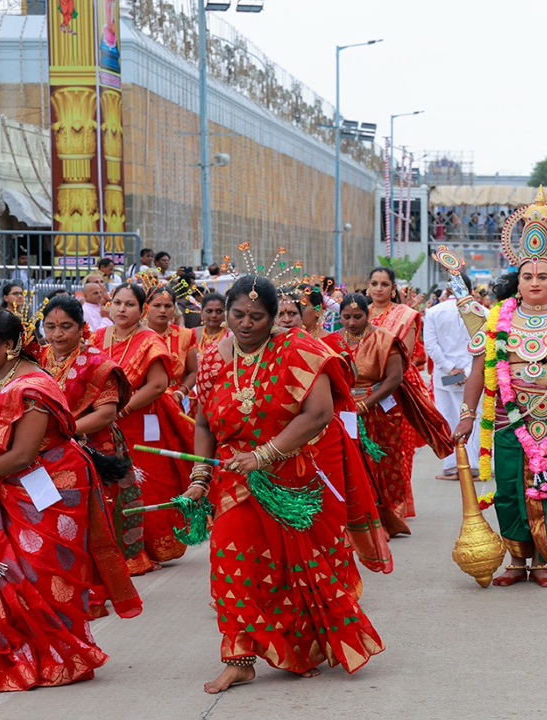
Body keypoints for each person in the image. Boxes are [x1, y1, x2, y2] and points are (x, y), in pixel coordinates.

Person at [0, 307, 140, 692]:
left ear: (8, 345)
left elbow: (23, 455)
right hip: (7, 488)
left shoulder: (34, 388)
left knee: (33, 573)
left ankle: (52, 653)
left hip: (47, 493)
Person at [185, 277, 384, 694]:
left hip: (290, 480)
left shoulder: (300, 350)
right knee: (229, 565)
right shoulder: (210, 358)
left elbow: (319, 414)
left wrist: (264, 455)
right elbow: (204, 421)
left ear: (275, 318)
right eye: (237, 315)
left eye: (256, 317)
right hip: (234, 482)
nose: (244, 324)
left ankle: (298, 649)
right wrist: (200, 477)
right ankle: (238, 658)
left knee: (292, 572)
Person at [451, 189, 547, 587]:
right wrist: (467, 416)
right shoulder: (496, 319)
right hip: (507, 418)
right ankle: (517, 562)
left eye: (543, 276)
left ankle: (542, 562)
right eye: (527, 276)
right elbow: (476, 370)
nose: (535, 281)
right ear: (515, 282)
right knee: (508, 490)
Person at [39, 295, 156, 588]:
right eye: (51, 326)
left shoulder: (98, 363)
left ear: (81, 328)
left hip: (93, 448)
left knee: (94, 518)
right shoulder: (38, 359)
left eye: (66, 326)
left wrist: (63, 433)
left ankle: (95, 583)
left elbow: (105, 414)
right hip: (44, 450)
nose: (57, 334)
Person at [333, 295, 453, 527]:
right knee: (350, 462)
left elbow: (395, 378)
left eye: (357, 317)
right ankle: (358, 516)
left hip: (382, 411)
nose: (351, 322)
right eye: (346, 317)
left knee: (388, 462)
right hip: (346, 412)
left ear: (367, 316)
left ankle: (391, 516)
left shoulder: (385, 339)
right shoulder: (333, 341)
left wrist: (365, 404)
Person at [100, 283, 196, 565]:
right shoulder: (98, 337)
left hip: (141, 422)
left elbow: (157, 385)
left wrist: (122, 410)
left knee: (146, 483)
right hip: (104, 424)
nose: (121, 309)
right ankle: (115, 549)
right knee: (109, 486)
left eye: (129, 304)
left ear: (141, 310)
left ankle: (147, 548)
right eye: (117, 302)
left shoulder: (150, 341)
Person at [423, 275, 480, 481]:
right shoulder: (483, 312)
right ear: (471, 290)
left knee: (448, 418)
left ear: (447, 290)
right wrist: (466, 370)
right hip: (474, 375)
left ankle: (452, 466)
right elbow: (483, 346)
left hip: (445, 377)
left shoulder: (433, 312)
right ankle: (475, 465)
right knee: (474, 416)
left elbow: (431, 346)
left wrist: (450, 369)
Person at [145, 284, 199, 410]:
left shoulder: (186, 335)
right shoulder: (137, 335)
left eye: (168, 306)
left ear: (174, 308)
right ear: (146, 307)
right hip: (142, 399)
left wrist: (181, 392)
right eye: (157, 305)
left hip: (176, 399)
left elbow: (193, 371)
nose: (163, 310)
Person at [367, 266, 425, 369]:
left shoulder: (405, 315)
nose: (378, 289)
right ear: (368, 286)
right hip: (361, 375)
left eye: (384, 284)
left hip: (396, 375)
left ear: (393, 288)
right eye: (374, 284)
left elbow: (406, 354)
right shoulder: (362, 313)